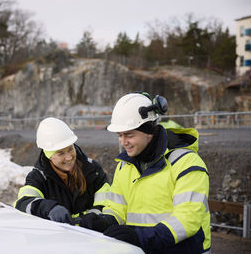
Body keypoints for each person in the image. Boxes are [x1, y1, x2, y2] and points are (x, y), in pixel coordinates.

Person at [80, 92, 211, 254]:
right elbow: (116, 208)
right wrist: (105, 221)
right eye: (120, 135)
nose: (123, 142)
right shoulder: (125, 166)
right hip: (142, 249)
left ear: (149, 131)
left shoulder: (186, 163)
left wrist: (141, 237)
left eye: (129, 134)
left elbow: (188, 220)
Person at [14, 117, 110, 224]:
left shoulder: (92, 170)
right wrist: (49, 208)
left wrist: (93, 216)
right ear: (49, 156)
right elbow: (23, 202)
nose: (69, 157)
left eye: (70, 149)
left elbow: (106, 200)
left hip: (90, 235)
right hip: (59, 238)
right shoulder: (39, 177)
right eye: (61, 153)